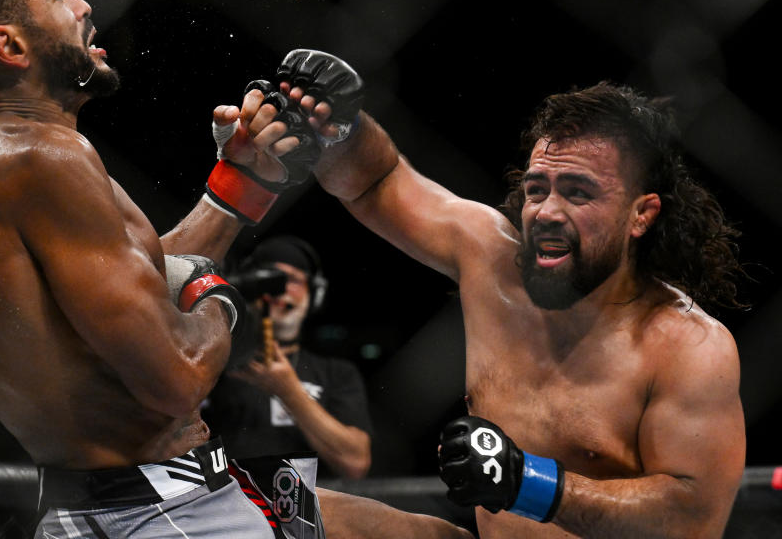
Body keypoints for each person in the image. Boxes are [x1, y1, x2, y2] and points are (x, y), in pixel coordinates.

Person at [0, 0, 471, 539]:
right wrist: (217, 295)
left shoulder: (22, 156)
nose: (85, 5)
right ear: (9, 45)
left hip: (175, 493)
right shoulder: (31, 157)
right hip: (155, 513)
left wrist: (245, 180)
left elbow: (140, 283)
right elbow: (178, 376)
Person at [236, 50, 747, 538]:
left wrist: (530, 485)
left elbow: (691, 521)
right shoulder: (490, 260)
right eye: (537, 188)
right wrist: (336, 128)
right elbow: (380, 180)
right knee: (286, 507)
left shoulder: (688, 346)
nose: (546, 211)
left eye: (578, 192)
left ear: (642, 214)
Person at [203, 236, 373, 479]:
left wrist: (288, 390)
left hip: (310, 509)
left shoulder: (336, 373)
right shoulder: (212, 361)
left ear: (314, 294)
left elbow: (355, 463)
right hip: (225, 506)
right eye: (268, 278)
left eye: (292, 280)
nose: (278, 290)